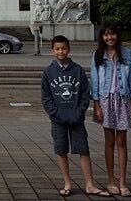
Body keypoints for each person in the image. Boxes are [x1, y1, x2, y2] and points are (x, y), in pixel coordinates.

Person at [42, 35, 110, 197]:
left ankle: (90, 184)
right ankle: (67, 183)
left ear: (69, 49)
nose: (61, 51)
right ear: (52, 51)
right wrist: (55, 113)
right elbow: (46, 97)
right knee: (61, 150)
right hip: (58, 119)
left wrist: (79, 112)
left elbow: (85, 94)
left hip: (76, 118)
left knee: (83, 150)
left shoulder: (77, 70)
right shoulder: (48, 72)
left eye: (64, 48)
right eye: (57, 49)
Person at [90, 24, 131, 197]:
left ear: (117, 36)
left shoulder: (127, 54)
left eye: (112, 34)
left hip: (123, 98)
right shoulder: (97, 55)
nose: (109, 38)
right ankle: (111, 180)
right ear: (102, 37)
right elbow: (94, 82)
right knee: (109, 141)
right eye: (106, 35)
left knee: (122, 141)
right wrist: (96, 105)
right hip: (105, 99)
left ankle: (123, 181)